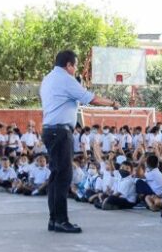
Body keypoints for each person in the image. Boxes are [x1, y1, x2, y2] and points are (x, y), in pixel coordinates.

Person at [40, 50, 118, 233]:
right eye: (75, 66)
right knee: (63, 178)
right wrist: (112, 103)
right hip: (60, 132)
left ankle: (53, 219)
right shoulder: (66, 79)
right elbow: (91, 99)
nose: (75, 70)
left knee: (55, 177)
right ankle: (61, 220)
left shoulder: (48, 79)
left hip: (50, 130)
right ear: (68, 65)